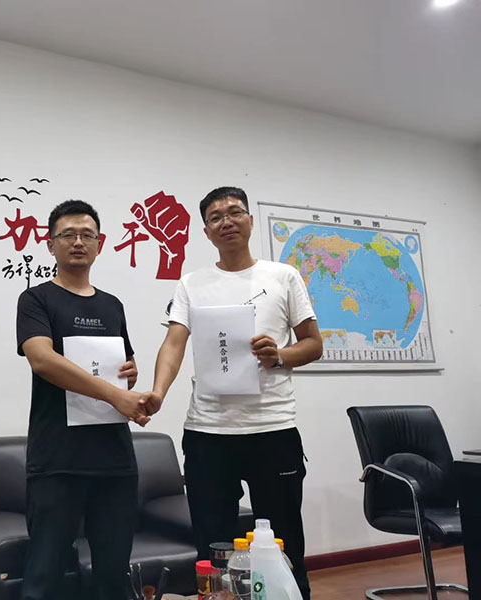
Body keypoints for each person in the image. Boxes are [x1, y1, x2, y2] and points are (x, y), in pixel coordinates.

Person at [146, 187, 323, 600]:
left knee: (283, 544)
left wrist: (279, 356)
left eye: (234, 212)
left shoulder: (283, 276)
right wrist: (157, 392)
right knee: (212, 549)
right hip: (208, 433)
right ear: (206, 231)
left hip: (272, 429)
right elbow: (174, 343)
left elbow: (313, 344)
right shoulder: (191, 284)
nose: (226, 221)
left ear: (250, 221)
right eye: (215, 217)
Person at [16, 199, 152, 600]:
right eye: (68, 235)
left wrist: (129, 373)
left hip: (114, 459)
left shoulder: (112, 305)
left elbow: (124, 362)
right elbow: (42, 360)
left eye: (87, 235)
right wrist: (114, 393)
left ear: (100, 243)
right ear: (50, 244)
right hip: (58, 459)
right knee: (45, 576)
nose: (78, 242)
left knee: (113, 576)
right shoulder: (36, 299)